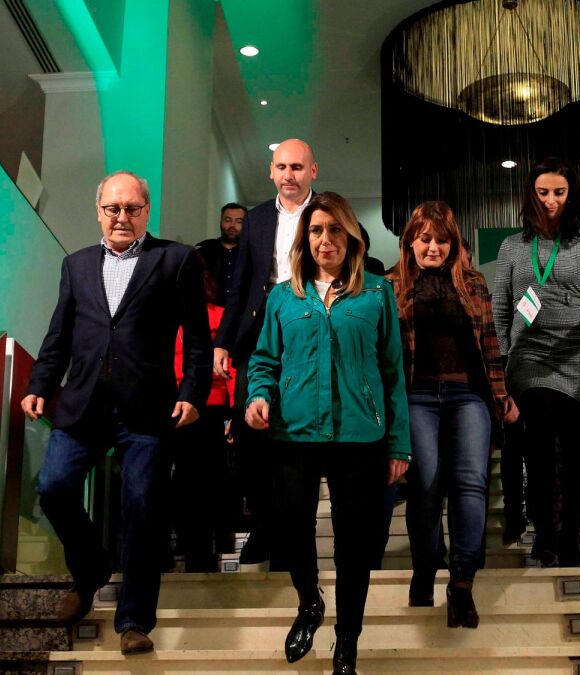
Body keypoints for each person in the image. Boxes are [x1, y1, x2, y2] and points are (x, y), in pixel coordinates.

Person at [22, 171, 211, 655]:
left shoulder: (176, 260)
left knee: (143, 506)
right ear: (99, 212)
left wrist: (193, 391)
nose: (121, 216)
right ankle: (90, 569)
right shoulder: (76, 265)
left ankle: (134, 620)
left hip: (148, 408)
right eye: (112, 208)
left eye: (131, 208)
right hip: (83, 403)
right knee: (53, 486)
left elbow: (197, 337)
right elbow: (59, 335)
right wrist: (40, 384)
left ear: (147, 211)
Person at [244, 192, 410, 675]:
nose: (325, 239)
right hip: (293, 433)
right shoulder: (283, 296)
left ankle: (347, 639)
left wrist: (399, 443)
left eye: (335, 229)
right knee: (291, 529)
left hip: (360, 437)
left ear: (351, 236)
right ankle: (309, 601)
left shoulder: (377, 293)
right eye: (316, 230)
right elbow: (263, 361)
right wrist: (259, 396)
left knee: (353, 544)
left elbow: (394, 372)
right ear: (305, 238)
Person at [492, 158, 580, 568]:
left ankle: (569, 535)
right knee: (539, 442)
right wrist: (503, 357)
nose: (551, 200)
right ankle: (545, 533)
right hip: (530, 354)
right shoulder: (512, 246)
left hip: (579, 351)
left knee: (579, 451)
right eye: (543, 192)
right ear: (531, 195)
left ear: (571, 195)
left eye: (559, 192)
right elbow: (501, 306)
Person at [390, 201, 516, 627]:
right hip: (416, 396)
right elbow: (385, 354)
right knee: (425, 485)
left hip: (468, 395)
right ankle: (426, 567)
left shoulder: (473, 282)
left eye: (442, 240)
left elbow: (490, 344)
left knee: (471, 483)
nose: (434, 248)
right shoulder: (390, 285)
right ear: (410, 240)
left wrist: (501, 395)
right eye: (425, 239)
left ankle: (462, 580)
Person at [214, 139, 319, 564]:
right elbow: (238, 286)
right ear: (271, 171)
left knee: (295, 434)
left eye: (297, 167)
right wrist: (223, 341)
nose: (288, 175)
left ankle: (293, 532)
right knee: (248, 436)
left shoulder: (327, 212)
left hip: (310, 325)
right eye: (282, 167)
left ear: (313, 171)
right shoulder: (256, 218)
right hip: (257, 329)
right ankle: (263, 522)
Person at [170, 261, 237, 571]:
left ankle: (206, 546)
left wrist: (234, 410)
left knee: (202, 478)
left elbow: (229, 364)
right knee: (182, 480)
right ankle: (190, 544)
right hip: (168, 403)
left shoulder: (218, 316)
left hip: (209, 405)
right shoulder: (162, 318)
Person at [195, 203, 247, 307]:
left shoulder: (252, 254)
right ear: (220, 222)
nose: (232, 226)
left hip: (242, 313)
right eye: (227, 220)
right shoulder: (205, 252)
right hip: (210, 311)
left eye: (239, 221)